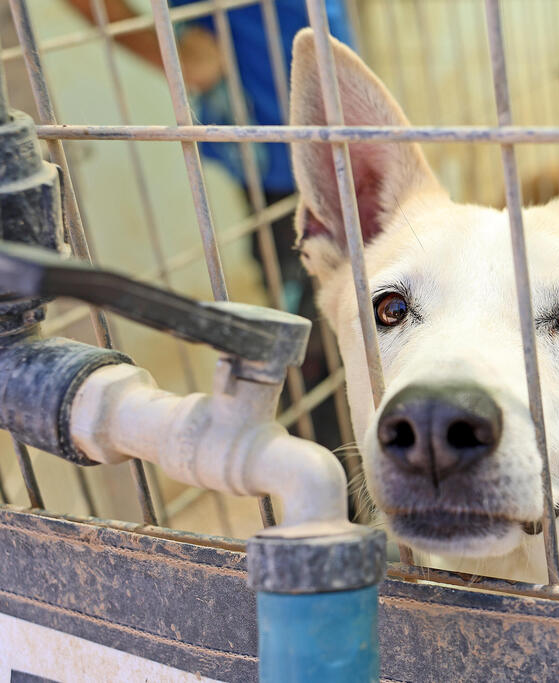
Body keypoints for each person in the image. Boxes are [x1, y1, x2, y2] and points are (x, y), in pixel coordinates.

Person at [65, 0, 354, 448]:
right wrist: (186, 54)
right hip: (289, 152)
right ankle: (332, 498)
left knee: (341, 336)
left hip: (325, 139)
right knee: (314, 347)